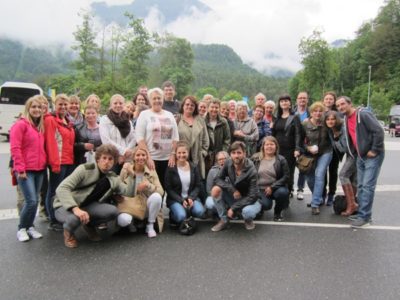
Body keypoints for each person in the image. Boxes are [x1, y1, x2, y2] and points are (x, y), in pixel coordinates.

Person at [53, 144, 134, 248]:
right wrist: (75, 209)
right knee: (74, 219)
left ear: (114, 162)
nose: (107, 162)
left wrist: (133, 175)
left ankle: (89, 225)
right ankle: (68, 233)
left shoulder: (113, 178)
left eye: (110, 159)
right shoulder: (84, 169)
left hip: (87, 206)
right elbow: (62, 188)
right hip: (64, 205)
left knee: (112, 211)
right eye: (104, 158)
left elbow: (129, 192)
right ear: (98, 159)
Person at [336, 96, 385, 228]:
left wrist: (374, 150)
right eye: (338, 106)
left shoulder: (363, 114)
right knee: (362, 186)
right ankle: (362, 214)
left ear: (350, 103)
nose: (340, 107)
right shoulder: (346, 118)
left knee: (368, 186)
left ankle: (365, 218)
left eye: (342, 104)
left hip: (372, 156)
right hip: (360, 156)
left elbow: (379, 131)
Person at [10, 96, 47, 242]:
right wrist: (20, 168)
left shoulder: (39, 126)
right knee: (30, 201)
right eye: (34, 107)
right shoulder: (21, 125)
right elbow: (15, 148)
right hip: (26, 170)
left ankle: (30, 226)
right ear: (28, 109)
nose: (37, 110)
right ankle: (22, 228)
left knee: (35, 200)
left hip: (39, 169)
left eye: (39, 107)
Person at [210, 141, 260, 231]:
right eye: (233, 153)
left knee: (247, 212)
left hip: (250, 200)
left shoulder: (252, 170)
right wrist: (232, 189)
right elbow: (217, 179)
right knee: (215, 189)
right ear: (230, 154)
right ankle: (224, 220)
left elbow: (253, 195)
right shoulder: (228, 163)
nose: (236, 156)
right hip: (236, 195)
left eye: (239, 153)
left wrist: (233, 208)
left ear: (245, 153)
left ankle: (248, 220)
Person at [135, 87, 179, 189]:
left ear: (163, 99)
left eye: (159, 98)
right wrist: (148, 157)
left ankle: (162, 205)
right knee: (151, 187)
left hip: (168, 159)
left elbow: (175, 137)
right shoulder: (144, 114)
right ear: (150, 100)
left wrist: (173, 154)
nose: (157, 101)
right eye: (154, 98)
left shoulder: (169, 115)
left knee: (165, 186)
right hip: (151, 159)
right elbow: (140, 138)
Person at [44, 94, 75, 231]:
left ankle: (60, 216)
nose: (63, 107)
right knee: (53, 192)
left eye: (65, 104)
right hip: (59, 162)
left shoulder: (68, 121)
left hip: (68, 161)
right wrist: (55, 164)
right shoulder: (51, 120)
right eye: (60, 104)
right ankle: (53, 219)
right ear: (55, 105)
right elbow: (51, 143)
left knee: (63, 191)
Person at [117, 146, 164, 238]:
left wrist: (148, 185)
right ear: (134, 157)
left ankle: (150, 226)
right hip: (129, 204)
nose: (141, 157)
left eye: (143, 155)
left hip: (145, 204)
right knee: (123, 220)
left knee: (157, 197)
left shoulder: (151, 170)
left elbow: (161, 191)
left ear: (147, 157)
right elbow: (118, 189)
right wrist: (132, 175)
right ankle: (131, 223)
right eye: (138, 155)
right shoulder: (125, 169)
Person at [325, 110, 358, 216]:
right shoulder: (331, 131)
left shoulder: (343, 129)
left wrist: (337, 139)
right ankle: (352, 204)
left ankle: (352, 204)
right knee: (352, 178)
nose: (330, 121)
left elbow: (344, 147)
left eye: (333, 119)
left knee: (343, 175)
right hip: (350, 154)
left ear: (337, 120)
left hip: (355, 154)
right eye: (328, 119)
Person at [302, 102, 333, 215]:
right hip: (310, 154)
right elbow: (300, 141)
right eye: (315, 111)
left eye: (320, 111)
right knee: (309, 178)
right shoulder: (305, 124)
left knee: (319, 175)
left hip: (325, 152)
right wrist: (308, 147)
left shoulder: (327, 123)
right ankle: (319, 197)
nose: (318, 113)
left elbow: (337, 130)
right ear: (311, 112)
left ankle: (315, 204)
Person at [165, 141, 206, 226]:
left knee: (200, 212)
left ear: (188, 153)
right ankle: (174, 215)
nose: (181, 155)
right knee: (181, 216)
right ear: (176, 154)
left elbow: (198, 185)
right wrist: (181, 200)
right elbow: (168, 189)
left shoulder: (194, 167)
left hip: (190, 198)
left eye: (184, 152)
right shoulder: (171, 168)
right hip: (176, 199)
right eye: (179, 153)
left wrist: (191, 197)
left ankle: (187, 211)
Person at [250, 136, 290, 221]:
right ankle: (260, 209)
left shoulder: (281, 159)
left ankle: (277, 212)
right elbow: (248, 173)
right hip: (260, 189)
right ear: (263, 147)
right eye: (267, 144)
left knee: (283, 193)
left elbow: (286, 176)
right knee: (266, 205)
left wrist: (272, 187)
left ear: (276, 146)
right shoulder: (255, 158)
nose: (269, 147)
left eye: (272, 144)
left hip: (276, 187)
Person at [272, 95, 302, 197]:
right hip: (277, 149)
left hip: (290, 149)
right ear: (279, 104)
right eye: (282, 101)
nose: (284, 103)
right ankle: (281, 190)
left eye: (286, 101)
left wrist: (297, 148)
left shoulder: (295, 117)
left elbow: (298, 133)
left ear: (290, 104)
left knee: (288, 171)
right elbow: (274, 134)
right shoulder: (277, 118)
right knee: (278, 170)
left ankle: (289, 191)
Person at [99, 94, 136, 174]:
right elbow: (106, 140)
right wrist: (122, 152)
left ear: (124, 105)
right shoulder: (105, 120)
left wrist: (125, 154)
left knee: (127, 183)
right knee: (113, 183)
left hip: (127, 159)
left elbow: (133, 138)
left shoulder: (128, 121)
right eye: (115, 103)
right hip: (112, 158)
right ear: (111, 105)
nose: (118, 105)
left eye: (120, 103)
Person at [177, 95, 209, 179]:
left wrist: (203, 153)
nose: (189, 106)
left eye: (192, 105)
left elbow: (206, 139)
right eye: (187, 104)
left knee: (196, 182)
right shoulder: (176, 119)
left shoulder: (200, 120)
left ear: (195, 107)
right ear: (183, 106)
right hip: (181, 157)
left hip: (197, 158)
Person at [322, 91, 340, 206]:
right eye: (326, 99)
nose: (328, 101)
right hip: (323, 147)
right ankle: (322, 194)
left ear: (334, 101)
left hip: (335, 148)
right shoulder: (320, 112)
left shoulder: (338, 114)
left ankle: (331, 194)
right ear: (323, 100)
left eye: (331, 99)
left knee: (333, 171)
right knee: (322, 171)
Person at [205, 99, 231, 173]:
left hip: (220, 156)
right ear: (208, 108)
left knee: (220, 174)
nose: (214, 109)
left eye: (216, 107)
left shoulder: (223, 122)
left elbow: (227, 139)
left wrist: (223, 153)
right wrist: (205, 152)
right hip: (207, 156)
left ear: (219, 109)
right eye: (212, 107)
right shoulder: (203, 121)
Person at [294, 91, 310, 201]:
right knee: (289, 168)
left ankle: (300, 189)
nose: (302, 100)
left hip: (306, 144)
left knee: (303, 168)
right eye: (300, 98)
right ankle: (290, 189)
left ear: (307, 100)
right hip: (294, 144)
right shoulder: (292, 113)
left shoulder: (311, 113)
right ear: (297, 100)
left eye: (304, 98)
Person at [205, 151, 229, 216]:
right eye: (220, 159)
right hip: (216, 196)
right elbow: (209, 190)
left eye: (224, 159)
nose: (222, 161)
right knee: (210, 204)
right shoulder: (212, 171)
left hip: (229, 197)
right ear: (217, 161)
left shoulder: (232, 169)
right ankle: (221, 213)